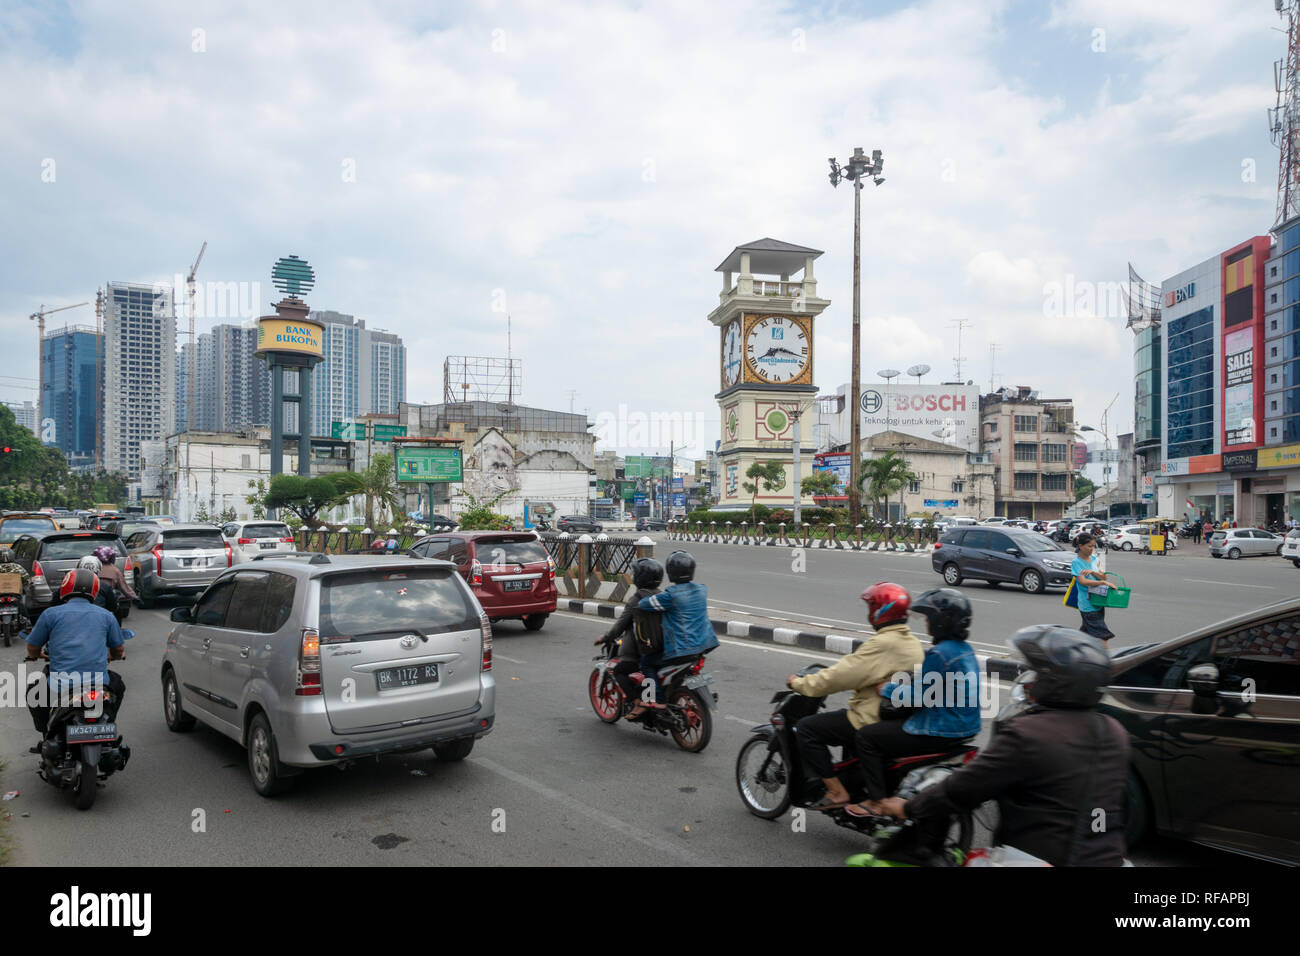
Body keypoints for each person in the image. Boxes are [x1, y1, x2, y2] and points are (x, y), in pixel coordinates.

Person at [873, 625, 1128, 867]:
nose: (1031, 680)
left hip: (1040, 857)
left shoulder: (1028, 733)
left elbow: (963, 789)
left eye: (1037, 673)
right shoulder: (1114, 731)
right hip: (1109, 858)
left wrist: (909, 807)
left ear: (1056, 682)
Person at [782, 582, 925, 810]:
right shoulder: (912, 642)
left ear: (879, 611)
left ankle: (836, 792)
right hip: (896, 717)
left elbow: (841, 676)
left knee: (808, 728)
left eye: (871, 606)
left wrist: (800, 684)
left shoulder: (883, 644)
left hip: (870, 717)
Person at [846, 588, 981, 818]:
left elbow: (919, 697)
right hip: (965, 727)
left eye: (929, 618)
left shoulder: (940, 654)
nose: (926, 623)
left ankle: (876, 801)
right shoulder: (965, 651)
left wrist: (887, 688)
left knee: (867, 736)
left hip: (938, 728)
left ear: (941, 621)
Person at [24, 568, 126, 741]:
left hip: (60, 686)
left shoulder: (50, 614)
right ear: (95, 590)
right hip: (99, 685)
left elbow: (33, 646)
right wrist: (114, 656)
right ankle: (107, 722)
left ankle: (46, 733)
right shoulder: (107, 616)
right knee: (119, 686)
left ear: (65, 588)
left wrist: (36, 654)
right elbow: (118, 650)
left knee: (34, 692)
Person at [596, 557, 665, 721]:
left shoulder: (636, 600)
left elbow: (619, 627)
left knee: (620, 671)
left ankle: (638, 701)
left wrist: (605, 637)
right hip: (664, 648)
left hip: (644, 651)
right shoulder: (663, 596)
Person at [1070, 534, 1114, 645]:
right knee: (1102, 636)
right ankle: (1106, 661)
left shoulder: (1095, 559)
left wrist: (1094, 572)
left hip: (1098, 602)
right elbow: (1083, 582)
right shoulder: (1076, 562)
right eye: (1089, 546)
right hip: (1087, 605)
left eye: (1094, 546)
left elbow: (1104, 576)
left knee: (1085, 634)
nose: (1092, 549)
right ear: (1080, 546)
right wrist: (1102, 582)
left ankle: (1075, 652)